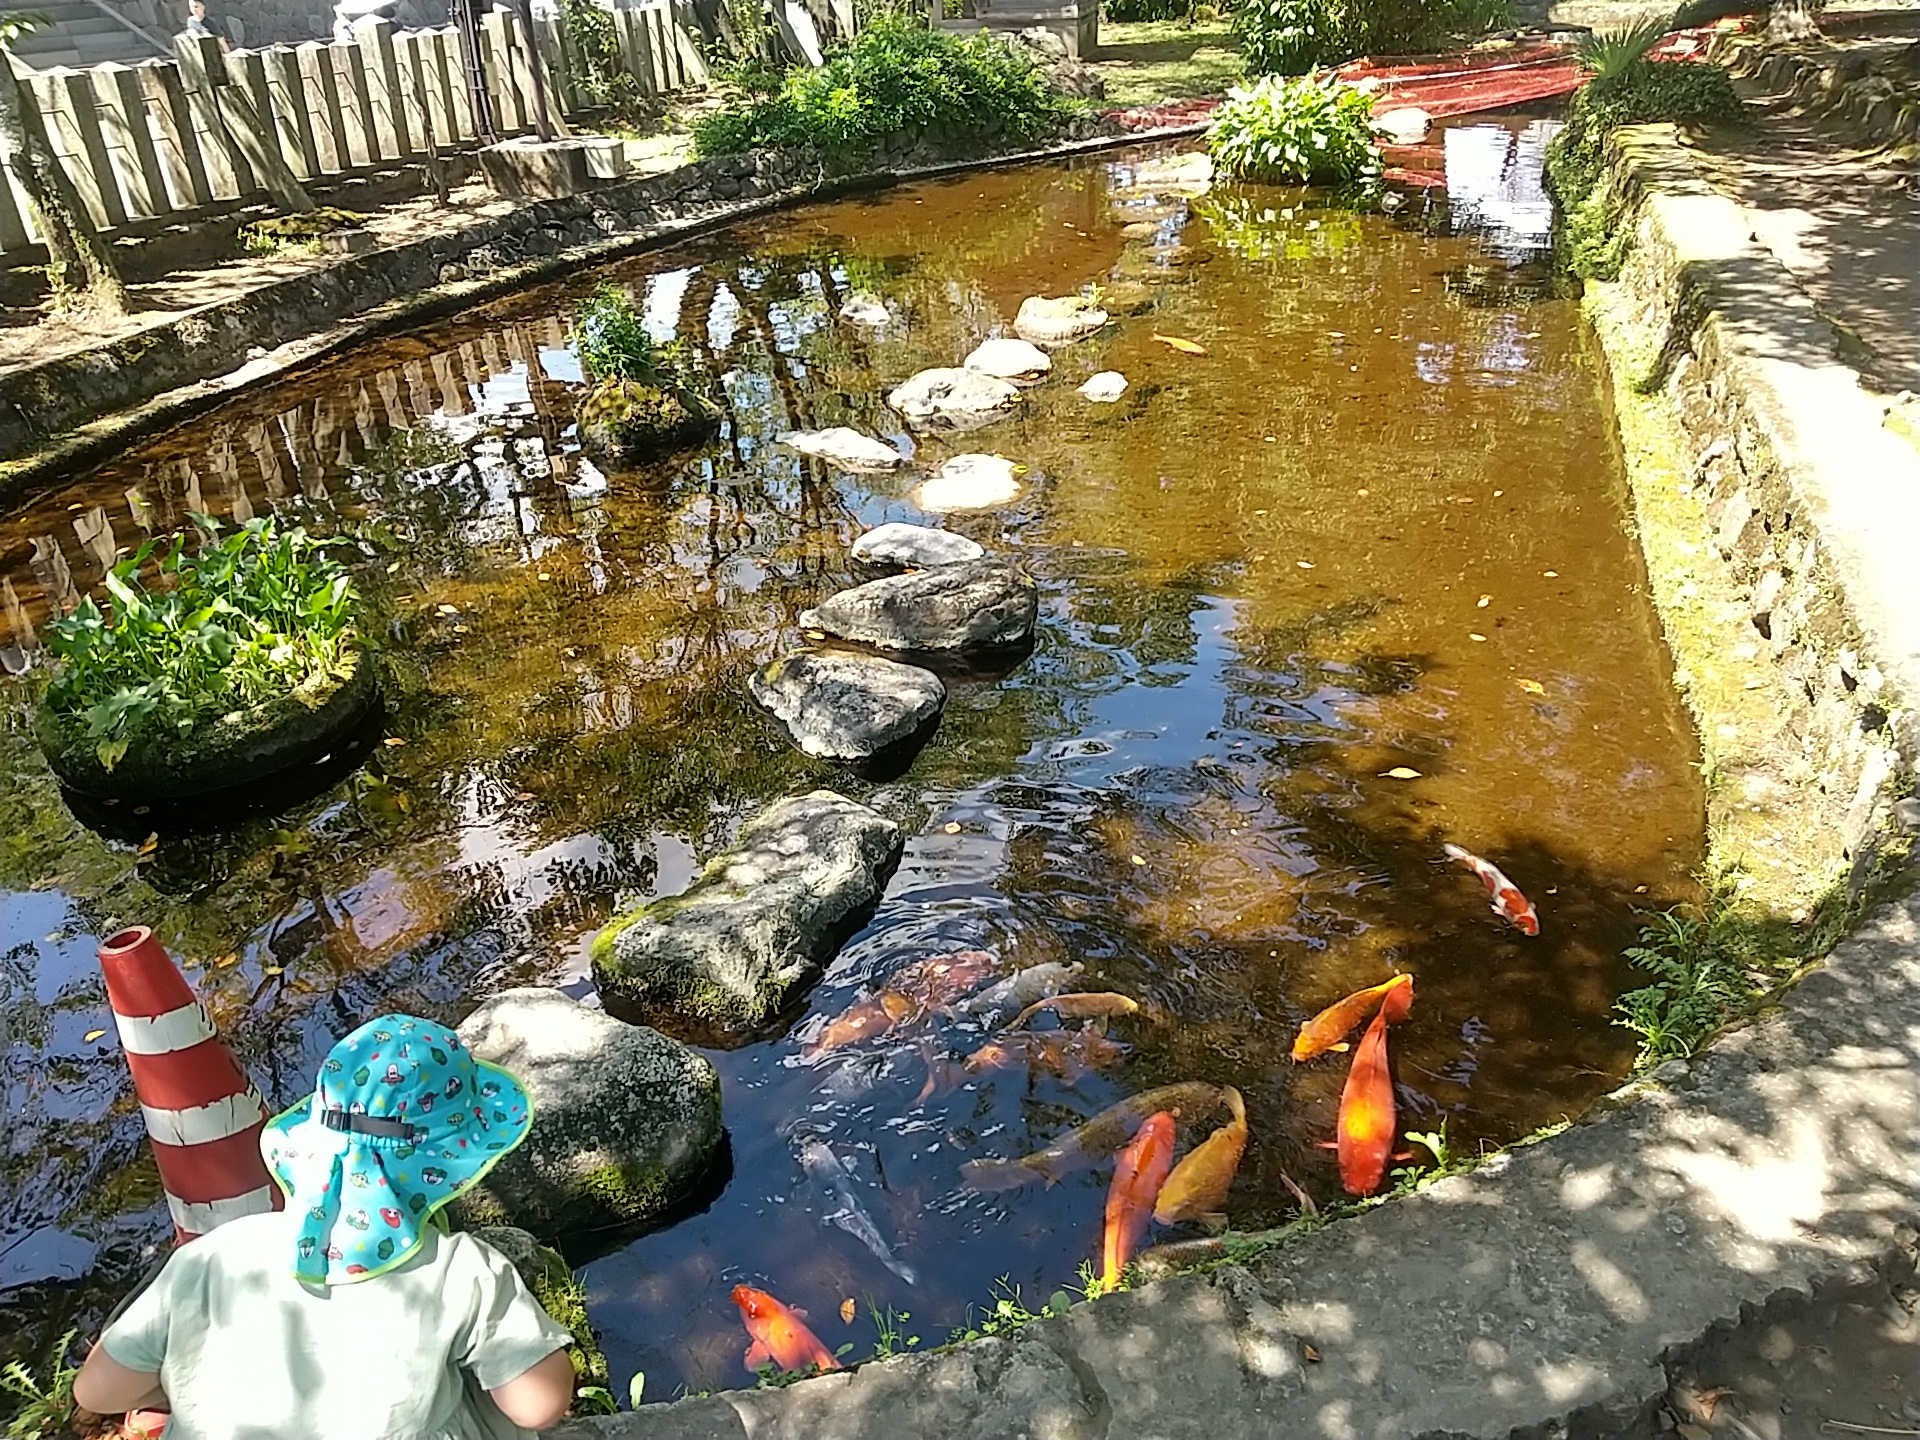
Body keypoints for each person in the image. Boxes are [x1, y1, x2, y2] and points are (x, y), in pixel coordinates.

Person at [73, 1014, 578, 1439]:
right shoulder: (461, 1272)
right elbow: (538, 1405)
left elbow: (96, 1391)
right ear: (451, 1165)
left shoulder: (213, 1258)